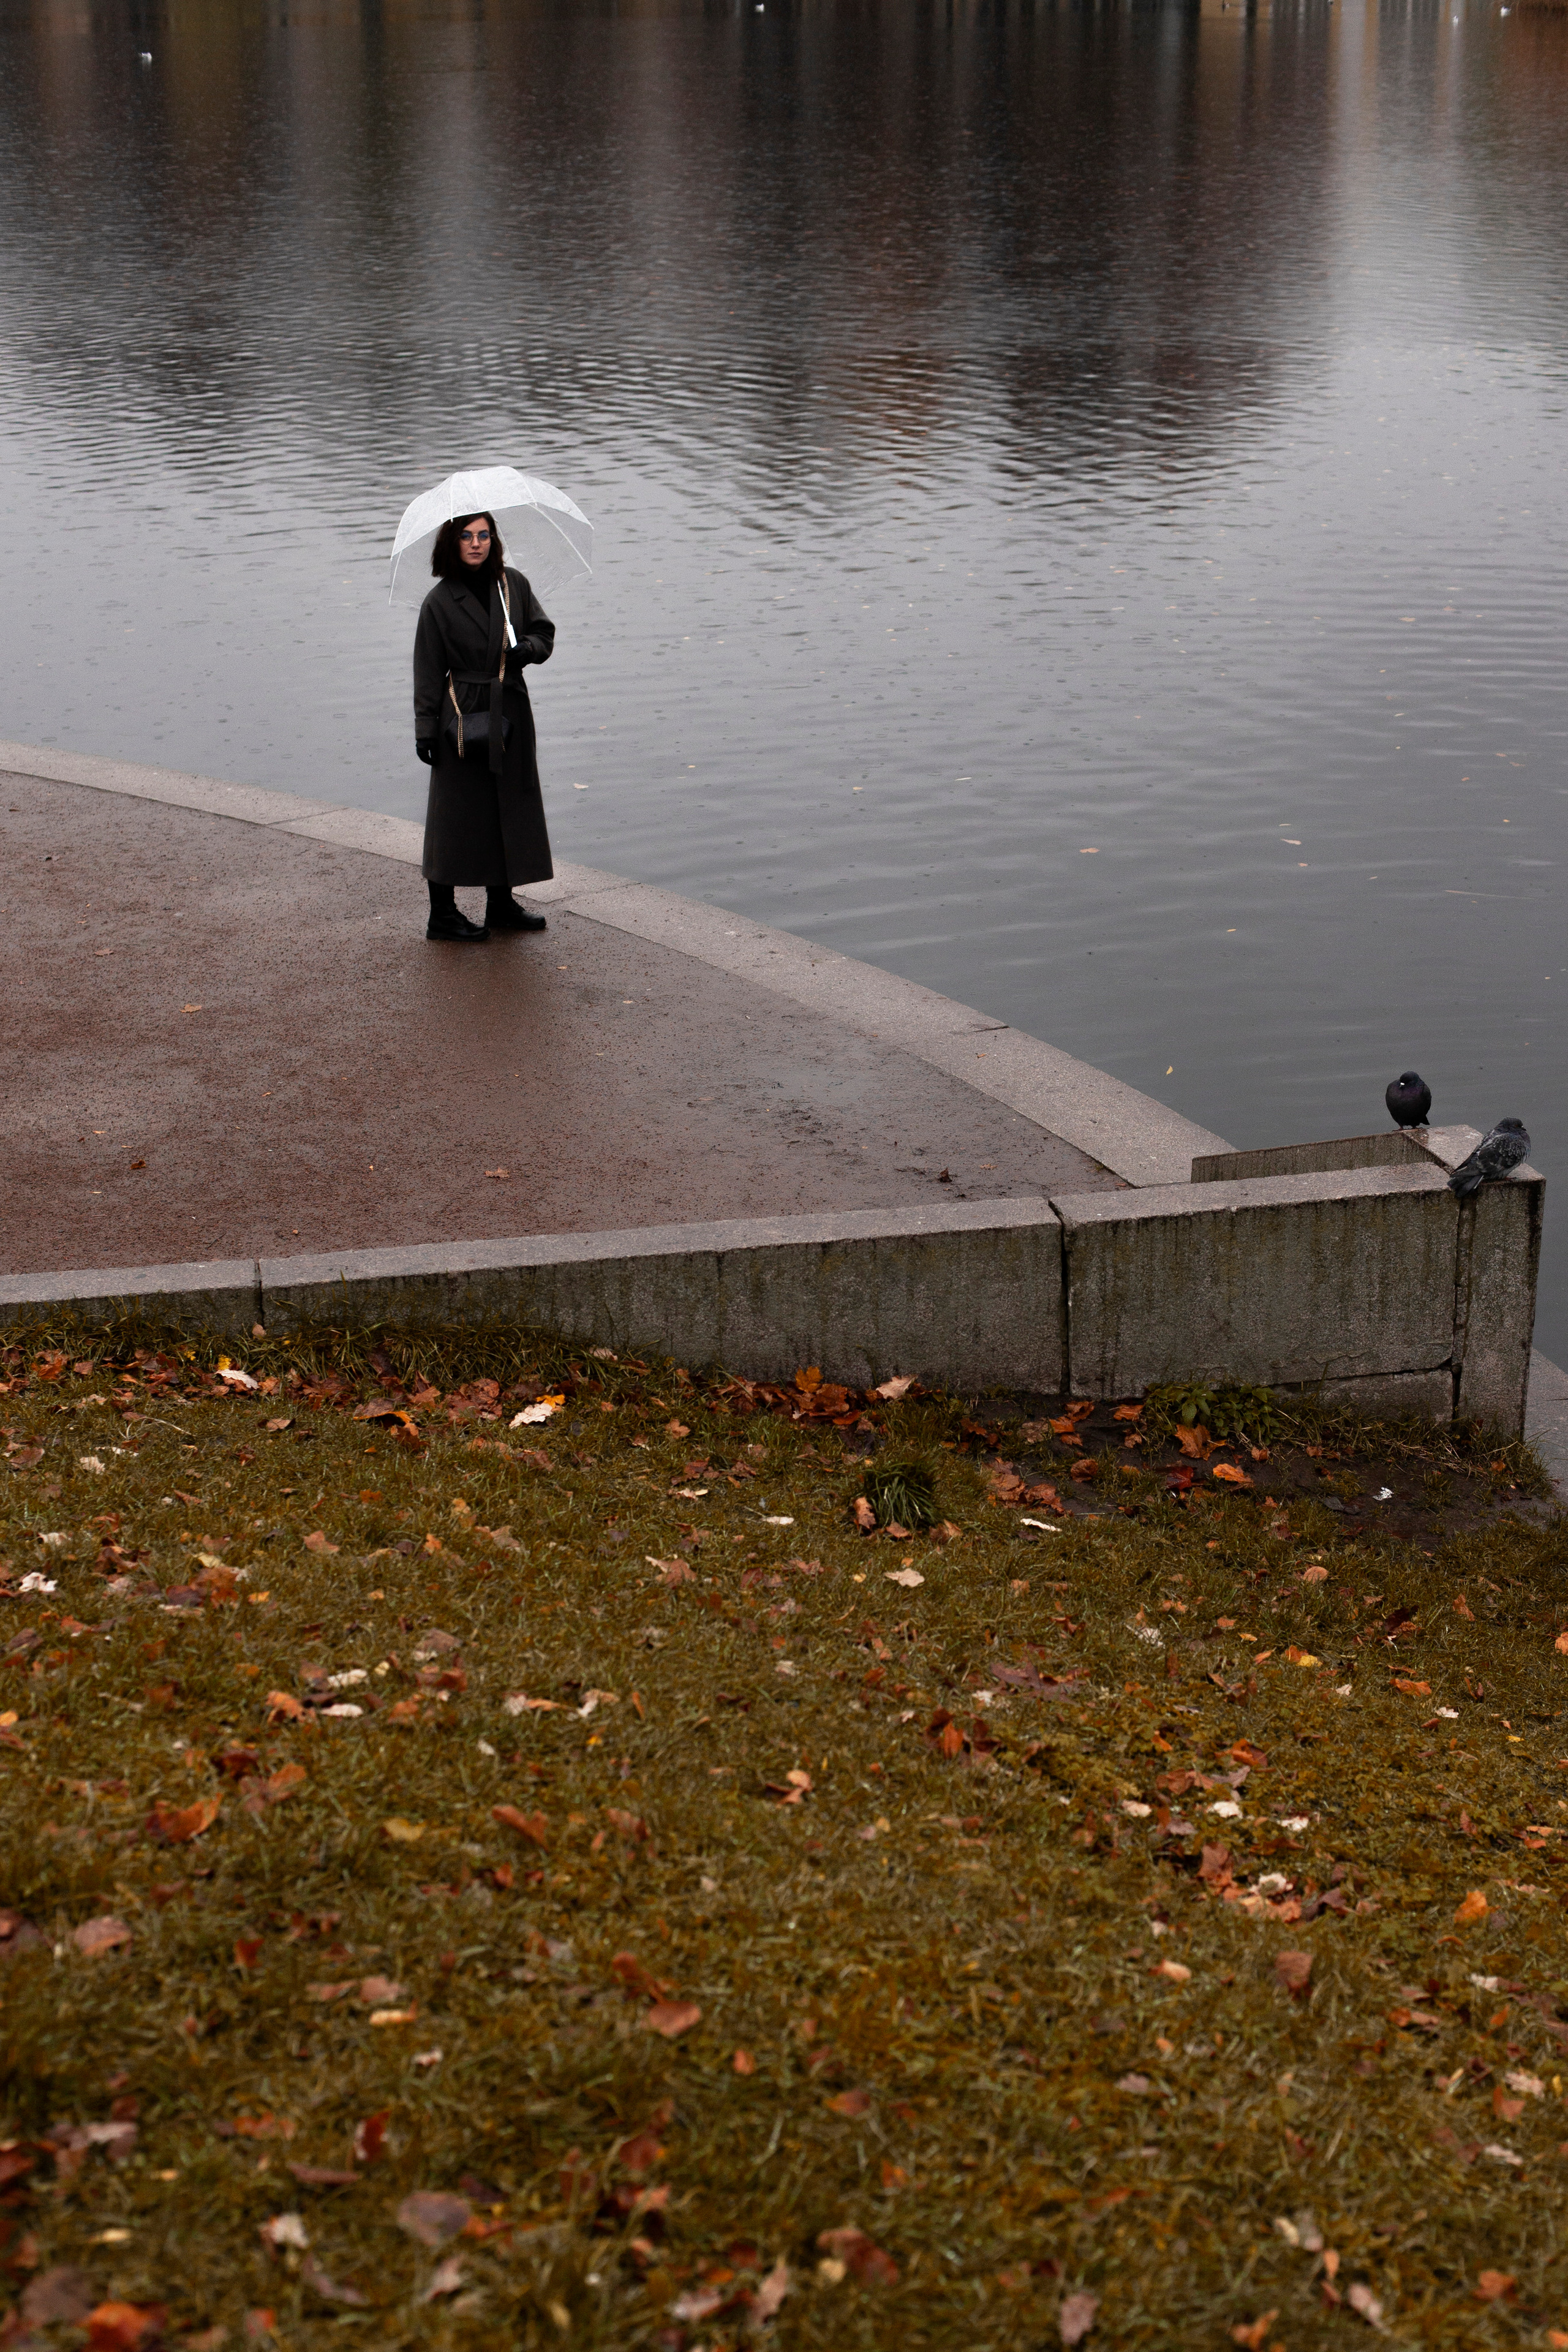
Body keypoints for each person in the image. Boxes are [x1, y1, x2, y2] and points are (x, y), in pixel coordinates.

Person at [412, 511, 556, 942]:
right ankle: (442, 915)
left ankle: (502, 904)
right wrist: (425, 729)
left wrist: (527, 648)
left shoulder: (513, 584)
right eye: (467, 536)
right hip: (460, 712)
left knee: (508, 805)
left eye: (484, 535)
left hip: (509, 708)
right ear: (451, 543)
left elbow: (545, 633)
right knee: (454, 813)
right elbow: (428, 668)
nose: (477, 543)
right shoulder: (439, 601)